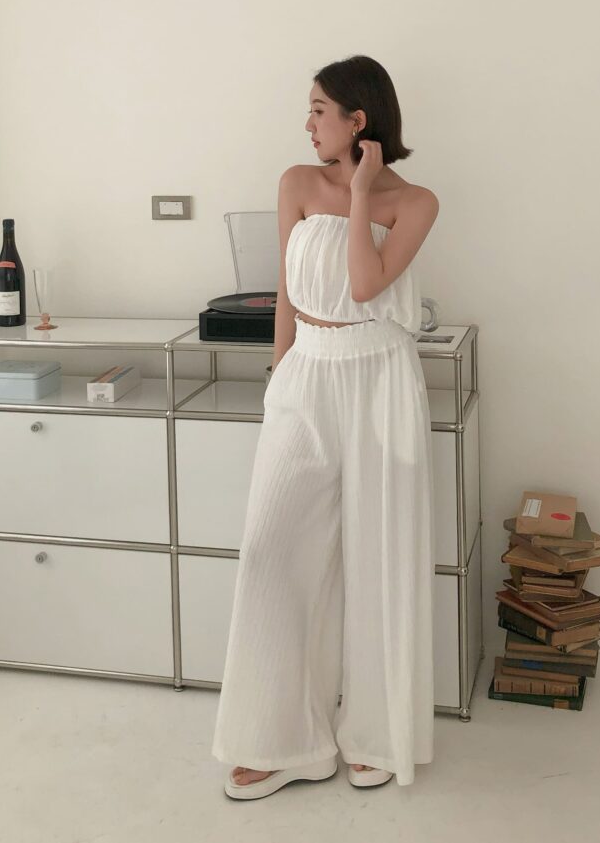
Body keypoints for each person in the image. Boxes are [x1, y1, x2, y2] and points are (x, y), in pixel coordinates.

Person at [211, 55, 440, 800]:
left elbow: (366, 285)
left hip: (378, 379)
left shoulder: (415, 202)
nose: (307, 123)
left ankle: (375, 732)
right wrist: (279, 377)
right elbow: (286, 289)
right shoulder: (295, 184)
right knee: (272, 551)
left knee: (378, 556)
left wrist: (364, 190)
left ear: (357, 119)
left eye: (318, 110)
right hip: (307, 372)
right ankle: (285, 741)